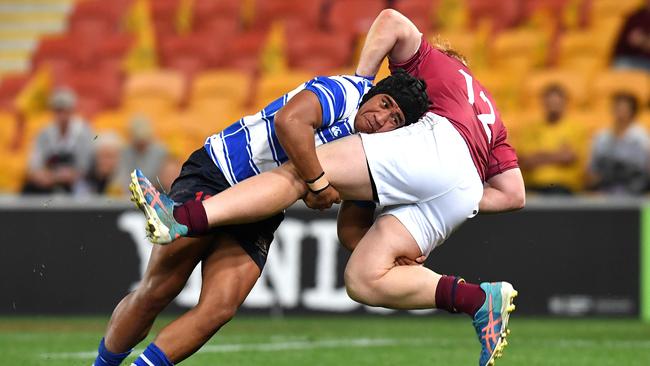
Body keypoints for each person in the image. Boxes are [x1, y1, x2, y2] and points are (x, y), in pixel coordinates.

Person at [131, 9, 525, 366]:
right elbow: (512, 195)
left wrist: (361, 83)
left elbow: (390, 20)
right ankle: (478, 299)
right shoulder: (496, 123)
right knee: (366, 278)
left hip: (440, 144)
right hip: (464, 190)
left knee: (304, 169)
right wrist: (415, 197)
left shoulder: (439, 68)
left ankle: (181, 217)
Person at [92, 71, 430, 366]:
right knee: (159, 290)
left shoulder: (370, 155)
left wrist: (391, 254)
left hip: (259, 212)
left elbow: (351, 229)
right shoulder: (346, 91)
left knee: (220, 308)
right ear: (374, 94)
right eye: (385, 104)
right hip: (219, 173)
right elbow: (290, 122)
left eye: (395, 120)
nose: (382, 119)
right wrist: (318, 182)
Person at [22, 87, 95, 194]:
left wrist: (71, 174)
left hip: (76, 184)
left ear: (72, 111)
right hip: (48, 183)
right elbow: (34, 163)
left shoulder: (83, 132)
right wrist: (40, 175)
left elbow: (86, 166)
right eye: (58, 111)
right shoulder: (44, 134)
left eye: (66, 111)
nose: (62, 115)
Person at [517, 84, 587, 194]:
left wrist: (539, 156)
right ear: (543, 103)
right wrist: (558, 155)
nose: (553, 106)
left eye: (557, 102)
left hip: (563, 186)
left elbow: (570, 158)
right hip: (532, 185)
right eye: (549, 102)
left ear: (565, 103)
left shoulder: (577, 129)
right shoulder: (530, 129)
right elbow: (525, 161)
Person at [589, 92, 650, 194]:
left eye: (624, 109)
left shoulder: (642, 137)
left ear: (632, 112)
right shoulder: (602, 137)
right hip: (606, 185)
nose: (620, 113)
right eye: (617, 109)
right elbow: (593, 168)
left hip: (634, 186)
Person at [612, 0, 650, 72]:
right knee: (621, 66)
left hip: (647, 62)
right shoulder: (635, 17)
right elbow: (632, 40)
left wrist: (642, 41)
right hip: (630, 60)